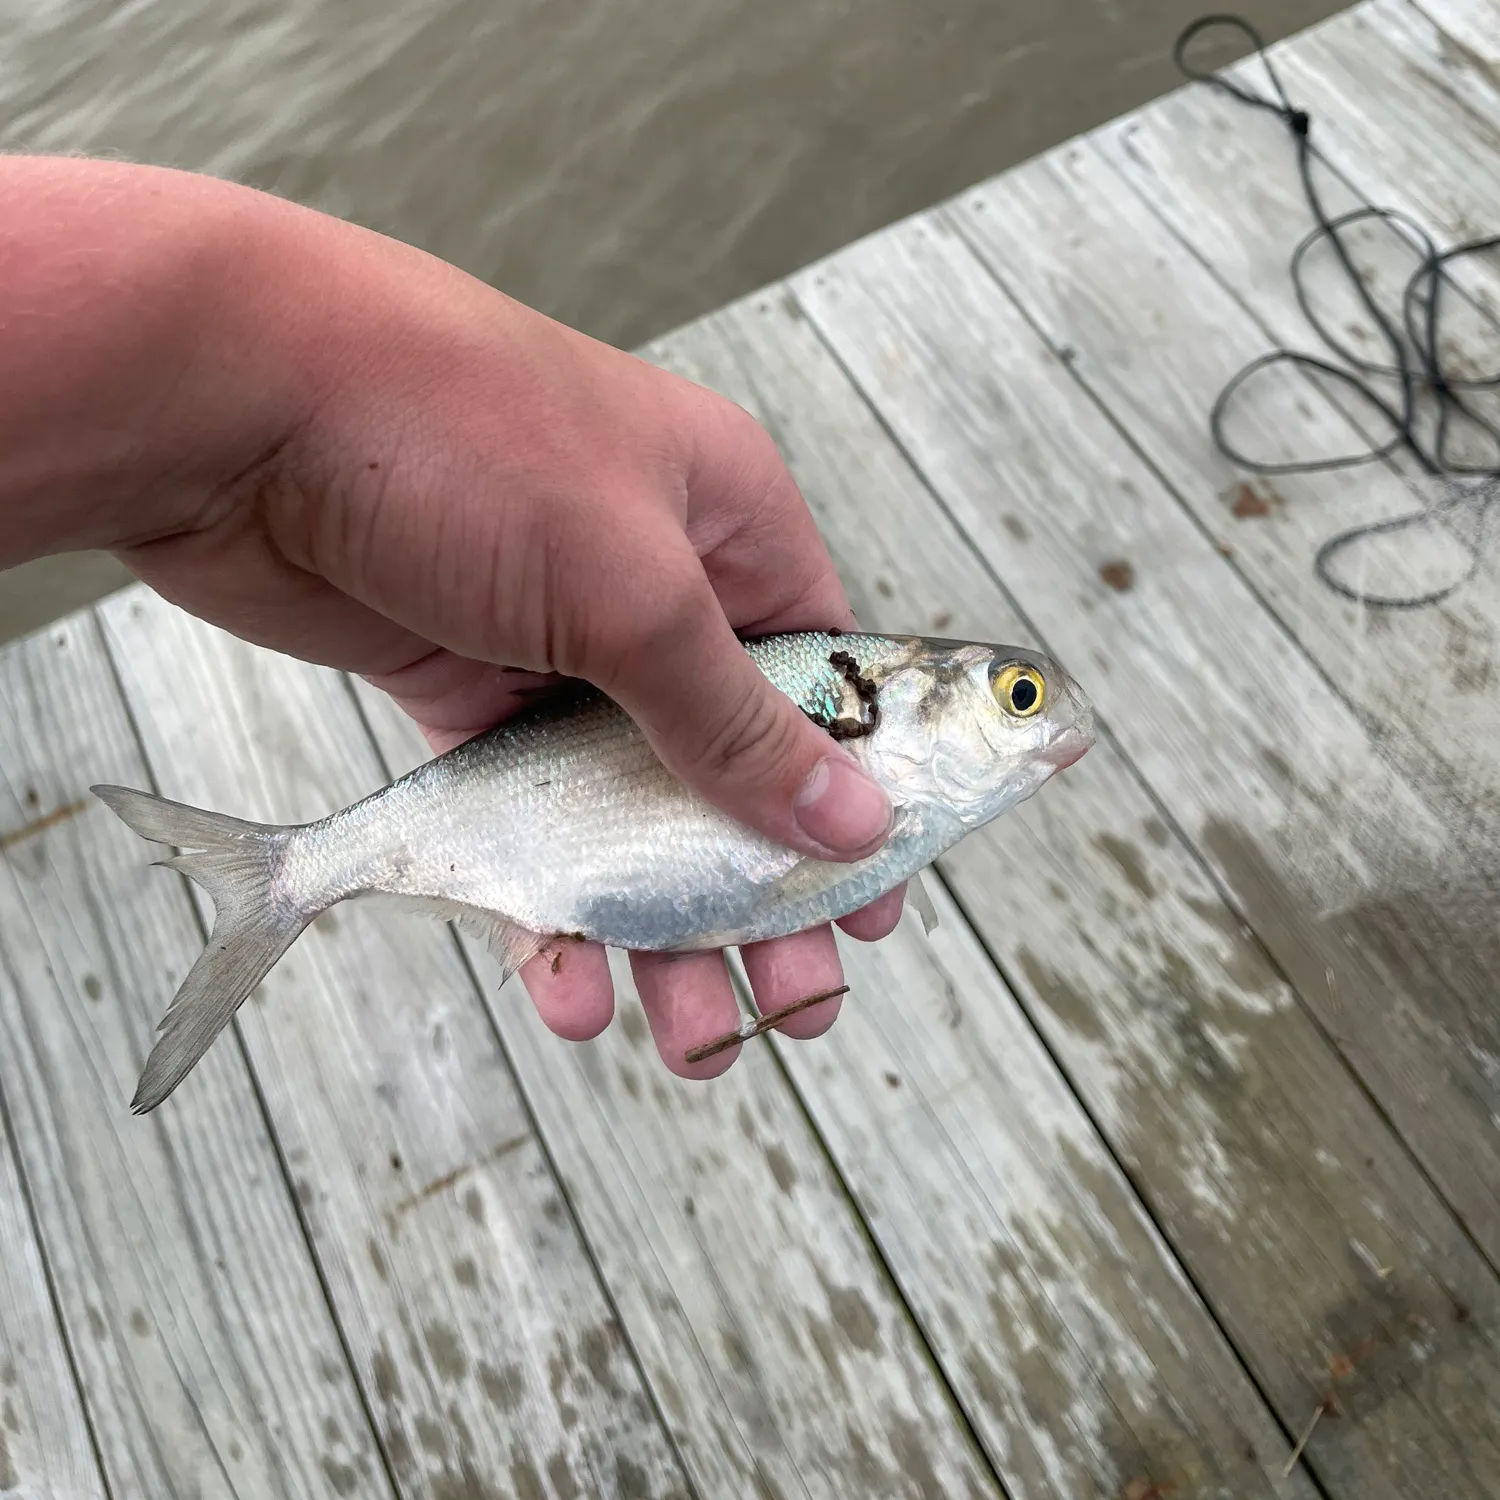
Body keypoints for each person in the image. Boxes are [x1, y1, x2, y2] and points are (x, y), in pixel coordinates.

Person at [1, 155, 904, 1079]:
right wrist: (284, 435)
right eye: (1017, 696)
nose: (1036, 714)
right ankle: (283, 874)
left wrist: (277, 436)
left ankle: (282, 873)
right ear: (886, 704)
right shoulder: (838, 699)